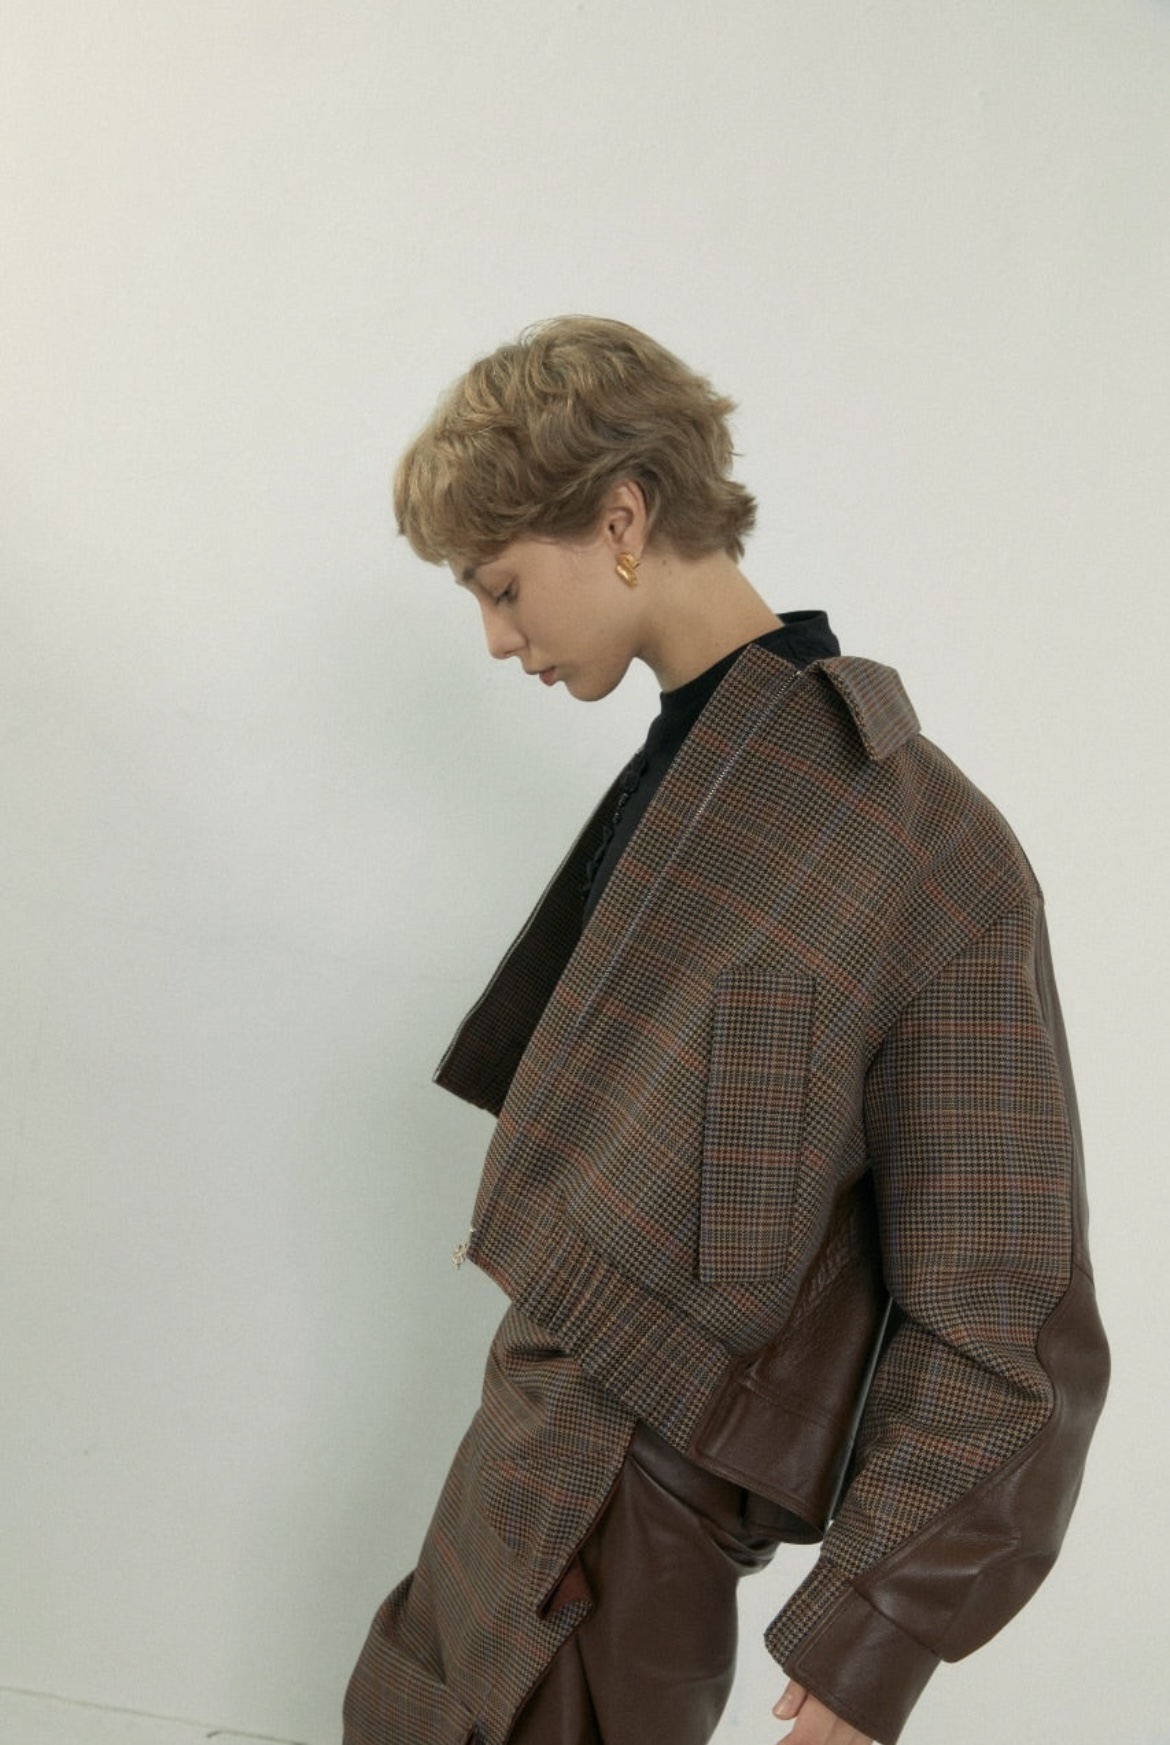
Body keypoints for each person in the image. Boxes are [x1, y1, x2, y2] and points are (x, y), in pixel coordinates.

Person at [343, 317, 1109, 1745]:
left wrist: (878, 1636)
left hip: (623, 1516)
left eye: (502, 587)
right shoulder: (690, 762)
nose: (497, 637)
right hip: (530, 1452)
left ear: (620, 520)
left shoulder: (919, 845)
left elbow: (1006, 1295)